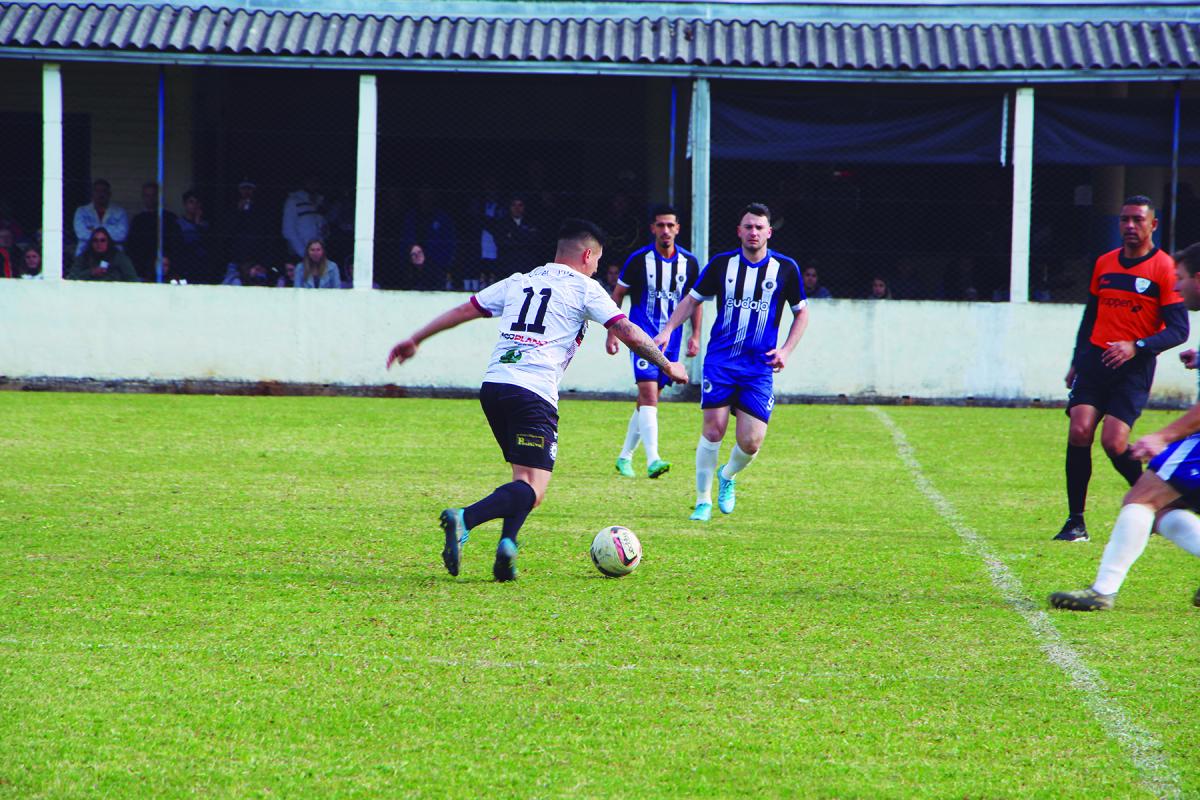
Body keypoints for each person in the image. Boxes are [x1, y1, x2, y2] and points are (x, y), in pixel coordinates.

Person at [385, 219, 688, 582]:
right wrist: (667, 365)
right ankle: (464, 517)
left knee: (523, 479)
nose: (594, 268)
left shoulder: (520, 280)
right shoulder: (586, 288)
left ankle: (506, 549)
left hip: (495, 386)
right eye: (595, 261)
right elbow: (627, 331)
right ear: (588, 255)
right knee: (532, 488)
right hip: (533, 392)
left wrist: (416, 338)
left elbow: (464, 310)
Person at [1050, 243, 1200, 610]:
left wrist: (1164, 435)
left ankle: (1103, 591)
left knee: (1142, 499)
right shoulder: (1105, 264)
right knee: (1160, 507)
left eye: (1180, 279)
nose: (1177, 288)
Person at [653, 202, 809, 521]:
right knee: (714, 430)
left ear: (769, 232)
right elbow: (691, 300)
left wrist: (786, 351)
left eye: (759, 227)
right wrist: (669, 330)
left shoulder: (786, 269)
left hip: (759, 366)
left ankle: (728, 476)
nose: (753, 232)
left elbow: (802, 312)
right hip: (721, 362)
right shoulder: (721, 265)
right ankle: (702, 501)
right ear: (739, 231)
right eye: (748, 227)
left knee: (751, 442)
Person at [1054, 195, 1189, 542]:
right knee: (1079, 430)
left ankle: (1150, 498)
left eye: (1138, 220)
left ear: (1152, 225)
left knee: (1114, 442)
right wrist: (1075, 359)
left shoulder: (1164, 268)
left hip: (1133, 369)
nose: (1130, 226)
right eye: (1125, 220)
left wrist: (1136, 346)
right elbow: (1090, 315)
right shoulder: (1104, 263)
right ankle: (1075, 522)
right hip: (1095, 362)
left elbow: (1178, 329)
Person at [605, 204, 702, 479]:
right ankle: (653, 459)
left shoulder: (690, 263)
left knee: (648, 400)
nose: (666, 231)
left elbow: (695, 302)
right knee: (648, 395)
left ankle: (624, 456)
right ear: (652, 228)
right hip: (641, 338)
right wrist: (612, 332)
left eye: (671, 225)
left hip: (671, 342)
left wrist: (695, 336)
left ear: (678, 229)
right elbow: (618, 294)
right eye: (660, 225)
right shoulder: (638, 260)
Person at [125, 182, 181, 282]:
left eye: (153, 195)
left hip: (166, 270)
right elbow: (132, 247)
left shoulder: (169, 218)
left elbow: (176, 244)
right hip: (143, 269)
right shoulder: (138, 220)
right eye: (147, 195)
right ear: (143, 197)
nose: (150, 199)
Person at [73, 179, 129, 256]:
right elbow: (81, 233)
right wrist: (109, 230)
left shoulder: (119, 212)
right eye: (97, 191)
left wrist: (93, 229)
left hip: (113, 254)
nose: (101, 194)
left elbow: (121, 235)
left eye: (104, 191)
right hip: (86, 252)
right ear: (92, 193)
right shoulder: (81, 211)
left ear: (109, 194)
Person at [281, 175, 328, 262]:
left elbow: (324, 229)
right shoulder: (293, 201)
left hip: (318, 254)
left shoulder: (320, 202)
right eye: (311, 181)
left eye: (317, 181)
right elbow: (288, 231)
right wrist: (304, 253)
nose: (314, 184)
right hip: (299, 255)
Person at [67, 227, 138, 281]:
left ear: (108, 242)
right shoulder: (84, 257)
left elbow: (133, 279)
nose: (99, 244)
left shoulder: (119, 258)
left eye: (102, 240)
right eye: (95, 240)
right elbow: (71, 278)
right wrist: (91, 272)